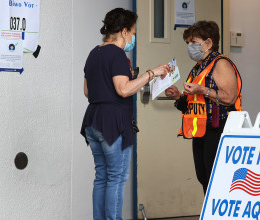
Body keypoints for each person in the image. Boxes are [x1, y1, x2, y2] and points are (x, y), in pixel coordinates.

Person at [80, 8, 169, 220]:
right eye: (134, 32)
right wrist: (152, 73)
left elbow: (87, 92)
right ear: (124, 31)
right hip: (113, 123)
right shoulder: (117, 54)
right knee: (117, 178)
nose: (134, 37)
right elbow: (124, 89)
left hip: (93, 120)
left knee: (102, 176)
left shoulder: (94, 52)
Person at [165, 21, 243, 194]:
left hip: (219, 127)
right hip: (201, 129)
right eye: (188, 43)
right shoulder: (198, 68)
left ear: (208, 43)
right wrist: (178, 96)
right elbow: (192, 103)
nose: (190, 47)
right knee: (204, 177)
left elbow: (229, 97)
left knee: (216, 178)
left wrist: (203, 90)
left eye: (194, 42)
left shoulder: (220, 63)